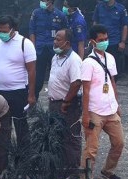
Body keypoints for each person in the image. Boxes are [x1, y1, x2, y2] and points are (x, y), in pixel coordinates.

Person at [0, 16, 36, 148]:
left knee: (21, 126)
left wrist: (31, 94)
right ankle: (1, 158)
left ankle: (24, 157)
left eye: (4, 31)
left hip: (18, 91)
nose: (1, 34)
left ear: (13, 29)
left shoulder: (25, 44)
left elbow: (32, 71)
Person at [80, 24, 124, 179]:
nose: (104, 42)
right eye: (101, 40)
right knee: (91, 149)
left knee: (119, 143)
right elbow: (85, 90)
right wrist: (85, 114)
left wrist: (117, 104)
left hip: (110, 109)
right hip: (94, 111)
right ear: (93, 41)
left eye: (106, 39)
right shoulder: (88, 63)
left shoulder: (110, 58)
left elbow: (112, 82)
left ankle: (108, 170)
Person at [47, 29, 82, 169]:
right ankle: (60, 167)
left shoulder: (74, 60)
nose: (55, 42)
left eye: (58, 39)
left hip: (68, 105)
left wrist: (66, 101)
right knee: (56, 136)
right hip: (54, 103)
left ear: (67, 43)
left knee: (70, 137)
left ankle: (72, 170)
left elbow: (76, 83)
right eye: (55, 39)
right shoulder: (55, 57)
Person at [29, 0, 68, 99]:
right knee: (37, 79)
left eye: (45, 0)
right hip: (39, 50)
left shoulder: (60, 15)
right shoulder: (36, 13)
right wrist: (33, 48)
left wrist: (62, 48)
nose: (42, 2)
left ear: (51, 1)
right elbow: (32, 31)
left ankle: (57, 101)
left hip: (54, 51)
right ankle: (33, 102)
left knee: (57, 77)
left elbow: (65, 33)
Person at [92, 0, 128, 77]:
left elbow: (125, 26)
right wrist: (93, 39)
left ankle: (112, 85)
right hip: (100, 42)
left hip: (114, 42)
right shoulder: (99, 7)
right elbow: (95, 22)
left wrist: (123, 42)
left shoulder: (121, 9)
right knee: (98, 65)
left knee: (113, 68)